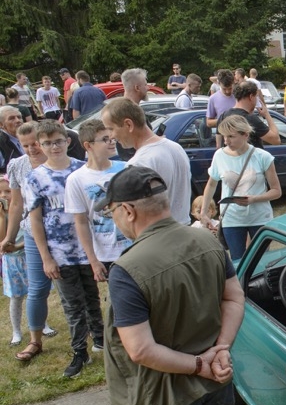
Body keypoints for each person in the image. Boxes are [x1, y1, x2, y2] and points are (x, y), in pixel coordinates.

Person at [96, 165, 248, 405]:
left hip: (167, 392)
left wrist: (200, 364)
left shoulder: (127, 269)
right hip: (217, 376)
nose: (114, 219)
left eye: (111, 211)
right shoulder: (209, 241)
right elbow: (234, 298)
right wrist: (221, 350)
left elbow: (141, 350)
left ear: (128, 211)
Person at [26, 121, 104, 378]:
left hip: (88, 249)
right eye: (47, 143)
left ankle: (101, 339)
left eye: (58, 141)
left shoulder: (82, 169)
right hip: (60, 252)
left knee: (92, 296)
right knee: (72, 304)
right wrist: (46, 257)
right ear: (40, 145)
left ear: (67, 141)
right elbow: (35, 219)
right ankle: (79, 350)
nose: (54, 147)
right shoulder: (36, 178)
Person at [1, 122, 59, 358]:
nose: (31, 149)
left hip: (60, 231)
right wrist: (9, 237)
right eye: (25, 145)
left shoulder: (56, 160)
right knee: (37, 288)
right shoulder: (17, 166)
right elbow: (16, 204)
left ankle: (89, 334)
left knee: (70, 285)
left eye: (34, 143)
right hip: (33, 233)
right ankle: (35, 340)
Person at [200, 115, 281, 261]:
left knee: (260, 261)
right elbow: (211, 184)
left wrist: (254, 199)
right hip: (232, 219)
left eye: (231, 136)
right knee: (237, 261)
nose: (226, 141)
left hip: (259, 218)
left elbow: (276, 191)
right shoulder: (219, 155)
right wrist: (203, 212)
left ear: (245, 135)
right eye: (224, 136)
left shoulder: (263, 156)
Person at [101, 98, 192, 225]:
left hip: (159, 236)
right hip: (183, 230)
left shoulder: (139, 164)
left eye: (111, 129)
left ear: (129, 125)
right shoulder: (176, 147)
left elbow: (138, 215)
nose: (111, 136)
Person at [66, 119, 131, 284]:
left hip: (133, 245)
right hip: (107, 252)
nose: (111, 142)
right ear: (88, 146)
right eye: (105, 139)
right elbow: (80, 222)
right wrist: (93, 260)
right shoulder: (76, 179)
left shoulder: (126, 168)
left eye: (112, 138)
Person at [1, 174, 28, 345]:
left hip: (28, 256)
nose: (4, 195)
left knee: (37, 293)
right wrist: (2, 217)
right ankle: (16, 331)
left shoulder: (24, 211)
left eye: (8, 191)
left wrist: (18, 246)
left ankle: (42, 323)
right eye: (0, 193)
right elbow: (2, 239)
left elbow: (31, 234)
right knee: (16, 297)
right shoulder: (1, 216)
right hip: (11, 261)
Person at [217, 81, 280, 148]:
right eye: (256, 97)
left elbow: (218, 145)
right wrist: (267, 114)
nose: (256, 100)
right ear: (251, 97)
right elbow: (276, 140)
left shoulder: (223, 116)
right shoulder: (250, 119)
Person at [0, 106, 24, 172]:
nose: (18, 121)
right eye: (11, 118)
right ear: (1, 124)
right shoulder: (1, 144)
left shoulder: (29, 138)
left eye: (19, 117)